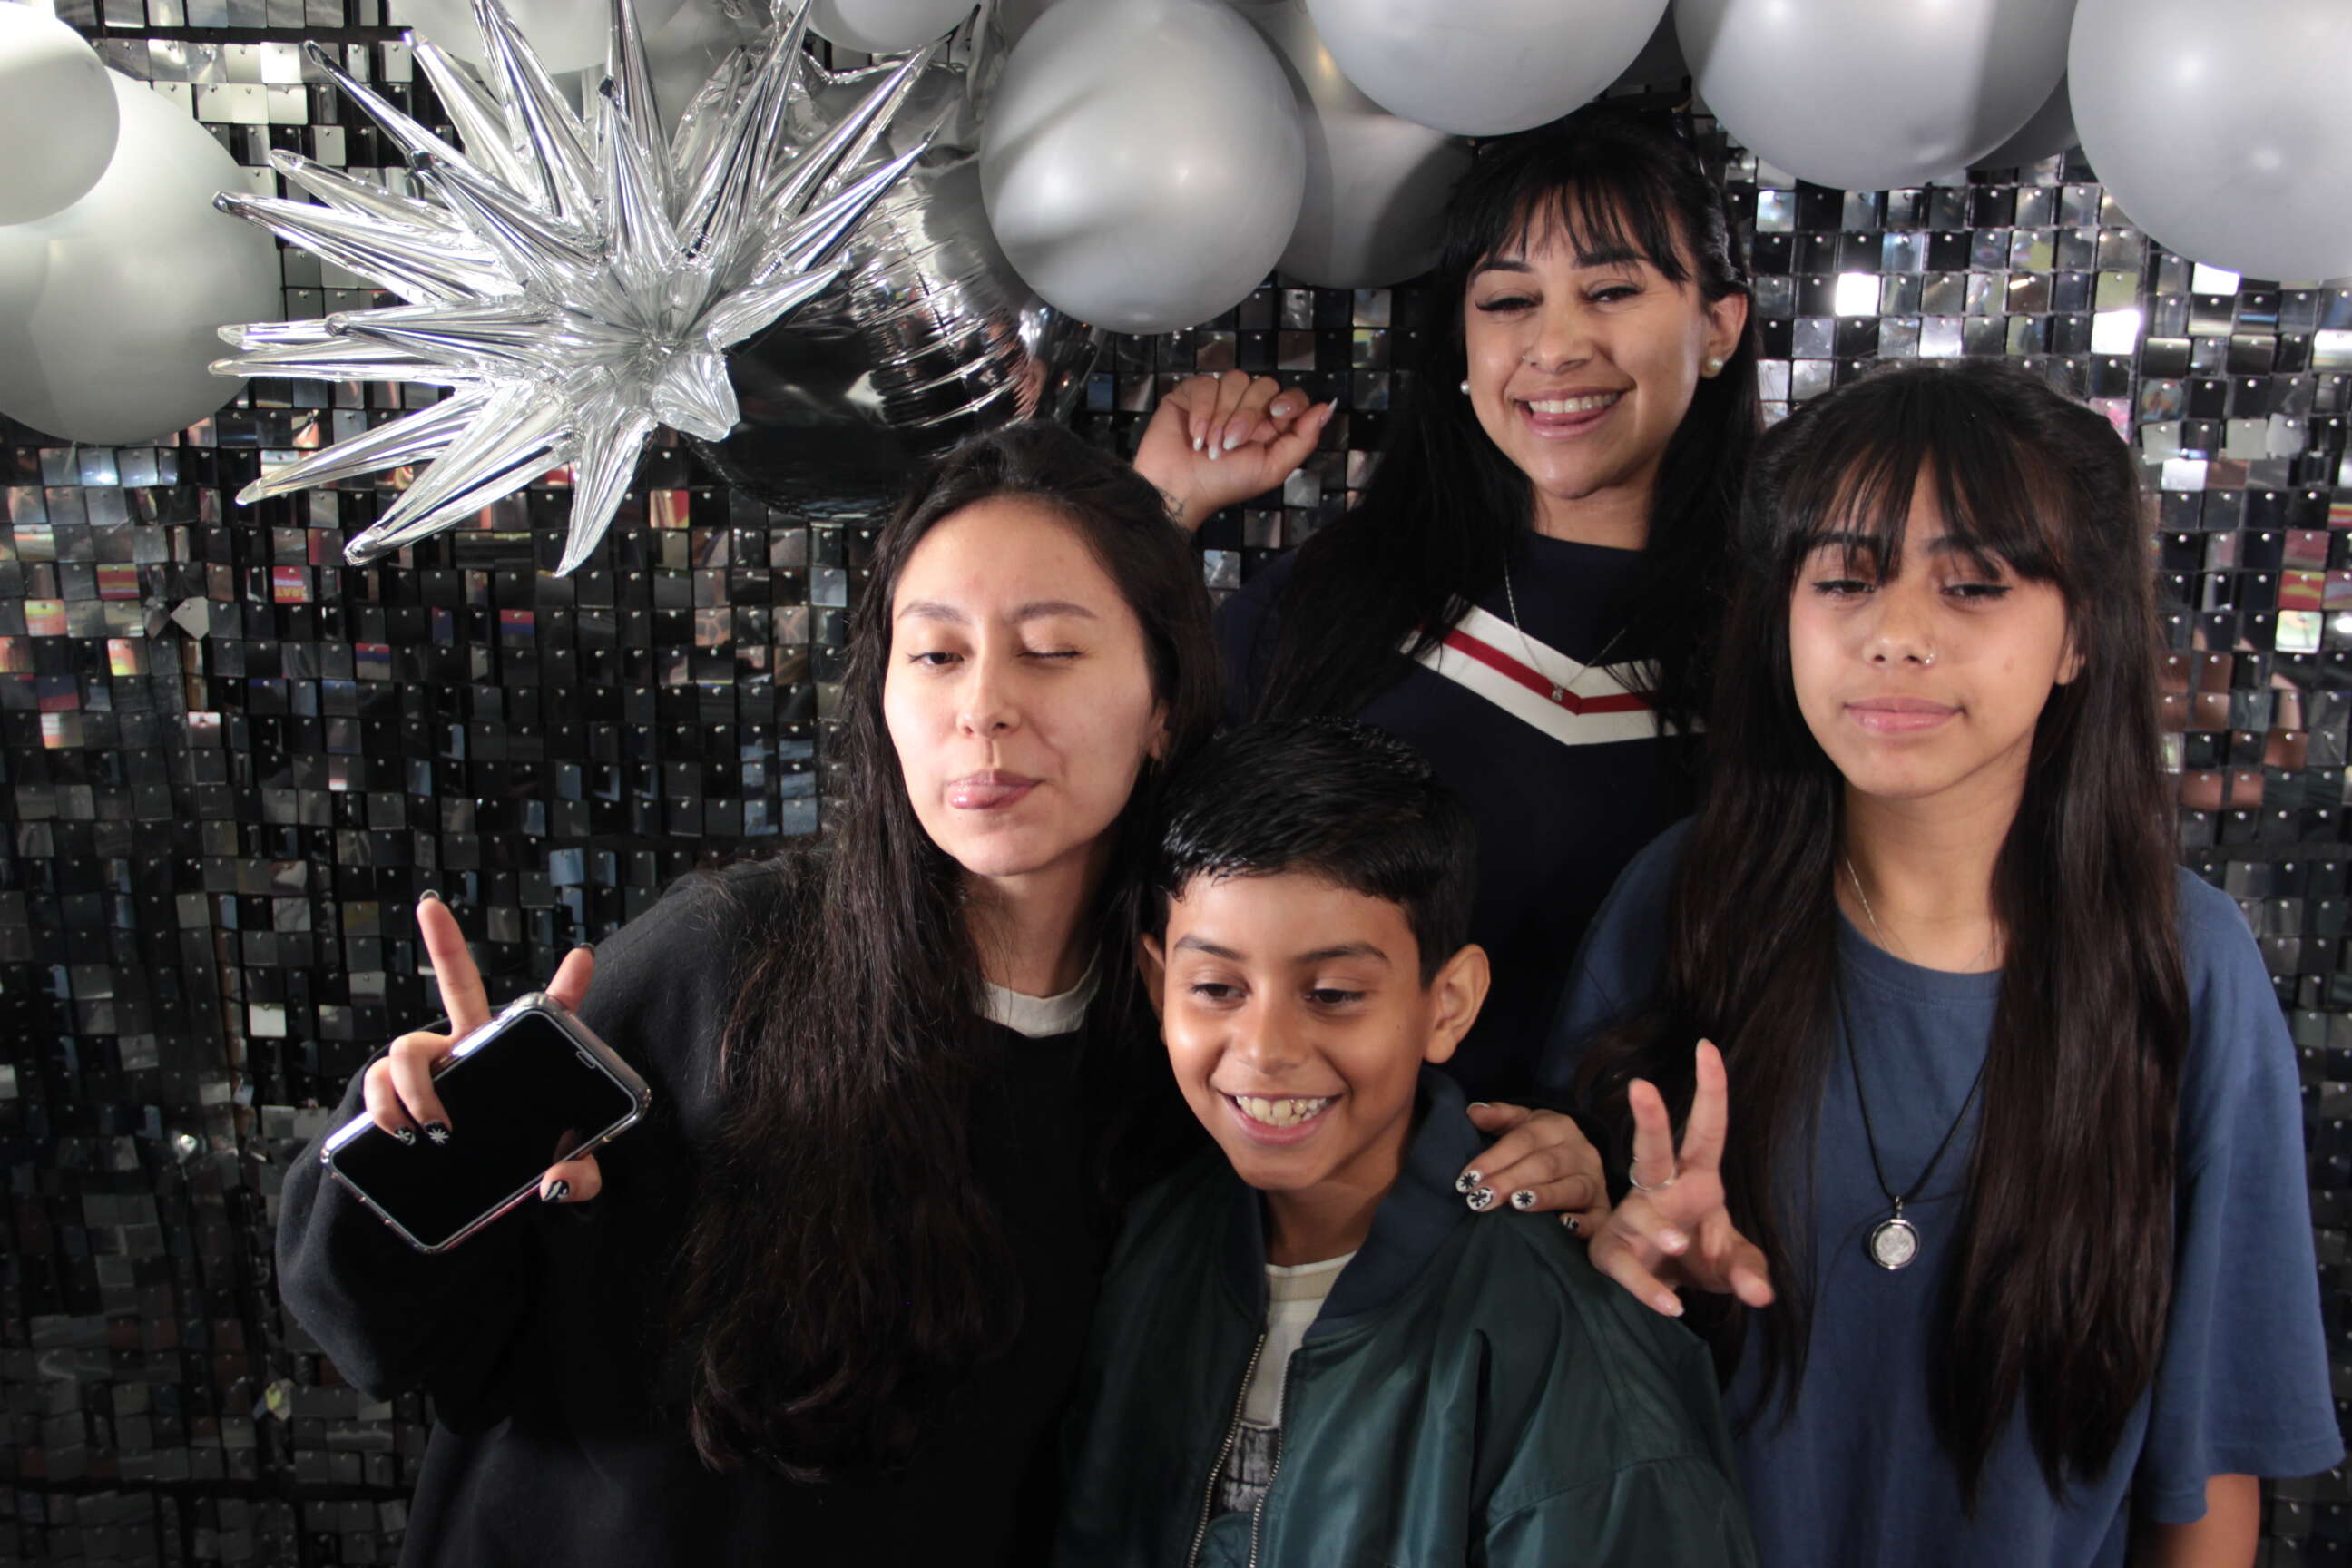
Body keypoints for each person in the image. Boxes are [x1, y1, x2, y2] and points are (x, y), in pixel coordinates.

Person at [275, 423, 1601, 1565]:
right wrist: (425, 1156)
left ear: (1161, 704)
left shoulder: (1181, 1052)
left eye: (1051, 651)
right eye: (936, 656)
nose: (986, 710)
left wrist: (1525, 1173)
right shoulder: (729, 959)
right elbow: (393, 1341)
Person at [1544, 359, 2343, 1566]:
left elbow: (2208, 1467)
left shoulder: (2186, 966)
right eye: (1844, 579)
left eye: (1973, 585)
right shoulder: (1680, 905)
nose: (1898, 635)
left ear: (2080, 635)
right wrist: (1622, 1266)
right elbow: (1541, 1346)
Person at [1132, 103, 1759, 1108]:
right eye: (1509, 301)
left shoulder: (1785, 654)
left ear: (1718, 327)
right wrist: (1164, 511)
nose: (1556, 345)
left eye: (1611, 290)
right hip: (1279, 1178)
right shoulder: (1336, 599)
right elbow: (1123, 822)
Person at [1056, 719, 1759, 1568]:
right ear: (1158, 984)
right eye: (1215, 988)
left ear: (1448, 1003)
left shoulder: (1557, 1342)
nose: (1266, 1048)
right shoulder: (1150, 1246)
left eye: (1333, 994)